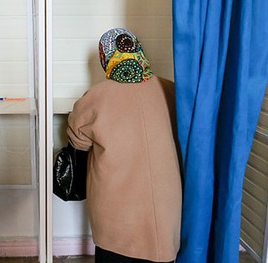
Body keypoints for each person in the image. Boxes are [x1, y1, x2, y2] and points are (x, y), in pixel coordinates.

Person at [67, 28, 182, 263]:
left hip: (116, 217)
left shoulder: (95, 97)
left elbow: (77, 140)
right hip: (165, 211)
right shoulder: (171, 91)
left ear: (105, 57)